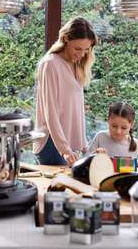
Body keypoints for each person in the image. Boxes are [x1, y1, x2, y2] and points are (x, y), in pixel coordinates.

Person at [33, 17, 98, 166]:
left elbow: (76, 109)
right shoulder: (50, 64)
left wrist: (83, 144)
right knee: (56, 188)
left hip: (70, 145)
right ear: (66, 39)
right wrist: (64, 149)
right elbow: (51, 113)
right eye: (77, 49)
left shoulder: (77, 65)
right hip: (53, 144)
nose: (82, 54)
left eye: (86, 49)